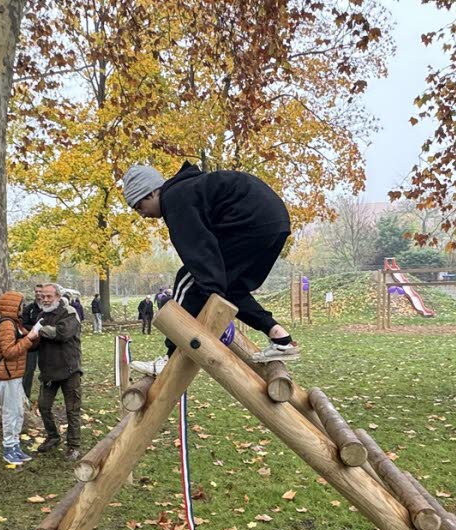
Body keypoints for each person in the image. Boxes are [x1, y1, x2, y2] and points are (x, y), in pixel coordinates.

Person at [121, 162, 299, 374]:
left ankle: (169, 360)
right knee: (231, 288)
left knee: (189, 278)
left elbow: (200, 255)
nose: (141, 214)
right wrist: (213, 290)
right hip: (274, 221)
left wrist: (207, 292)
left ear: (151, 193)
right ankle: (281, 338)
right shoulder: (190, 190)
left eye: (139, 206)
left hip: (251, 221)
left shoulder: (175, 199)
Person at [32, 283, 83, 460]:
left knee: (72, 410)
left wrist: (39, 331)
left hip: (70, 370)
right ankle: (53, 437)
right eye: (42, 296)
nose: (44, 299)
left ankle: (74, 446)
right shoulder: (41, 315)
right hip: (48, 371)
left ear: (58, 296)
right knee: (44, 406)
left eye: (48, 296)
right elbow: (34, 339)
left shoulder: (69, 312)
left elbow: (62, 333)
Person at [0, 291, 38, 464]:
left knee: (18, 412)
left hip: (15, 374)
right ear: (13, 306)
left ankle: (15, 445)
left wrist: (33, 335)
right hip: (7, 376)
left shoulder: (15, 324)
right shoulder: (6, 325)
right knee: (10, 412)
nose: (23, 307)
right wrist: (29, 339)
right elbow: (9, 352)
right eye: (21, 304)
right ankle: (9, 448)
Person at [20, 284, 44, 404]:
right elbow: (23, 324)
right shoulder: (29, 309)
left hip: (45, 345)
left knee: (45, 371)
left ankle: (43, 398)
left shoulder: (48, 308)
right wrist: (34, 330)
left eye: (40, 291)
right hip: (31, 345)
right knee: (28, 370)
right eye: (36, 291)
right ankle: (26, 397)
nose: (38, 294)